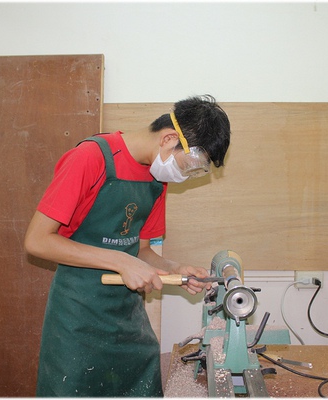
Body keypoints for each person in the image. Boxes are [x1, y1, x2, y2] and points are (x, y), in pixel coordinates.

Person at [24, 94, 231, 397]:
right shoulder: (91, 158)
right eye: (190, 165)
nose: (185, 176)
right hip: (77, 317)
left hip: (127, 317)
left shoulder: (156, 179)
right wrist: (120, 261)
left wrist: (175, 269)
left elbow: (141, 251)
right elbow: (37, 241)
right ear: (169, 138)